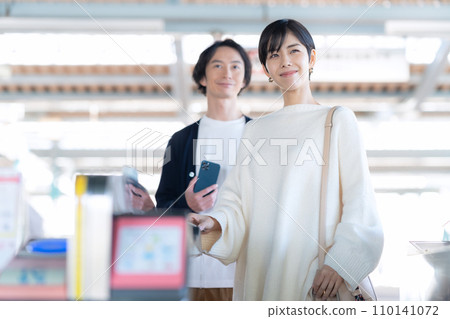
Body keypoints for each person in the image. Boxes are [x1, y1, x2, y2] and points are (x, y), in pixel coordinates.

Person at [189, 19, 384, 301]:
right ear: (266, 69)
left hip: (317, 274)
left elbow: (359, 200)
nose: (285, 61)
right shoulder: (254, 130)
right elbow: (236, 202)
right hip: (264, 273)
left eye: (294, 51)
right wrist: (216, 223)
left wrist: (340, 263)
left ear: (312, 57)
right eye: (274, 54)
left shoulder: (337, 119)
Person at [155, 39, 252, 301]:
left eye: (235, 67)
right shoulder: (182, 140)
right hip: (194, 275)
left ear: (244, 79)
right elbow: (162, 205)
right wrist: (186, 205)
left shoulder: (260, 136)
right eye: (217, 65)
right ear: (203, 76)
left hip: (247, 274)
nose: (227, 73)